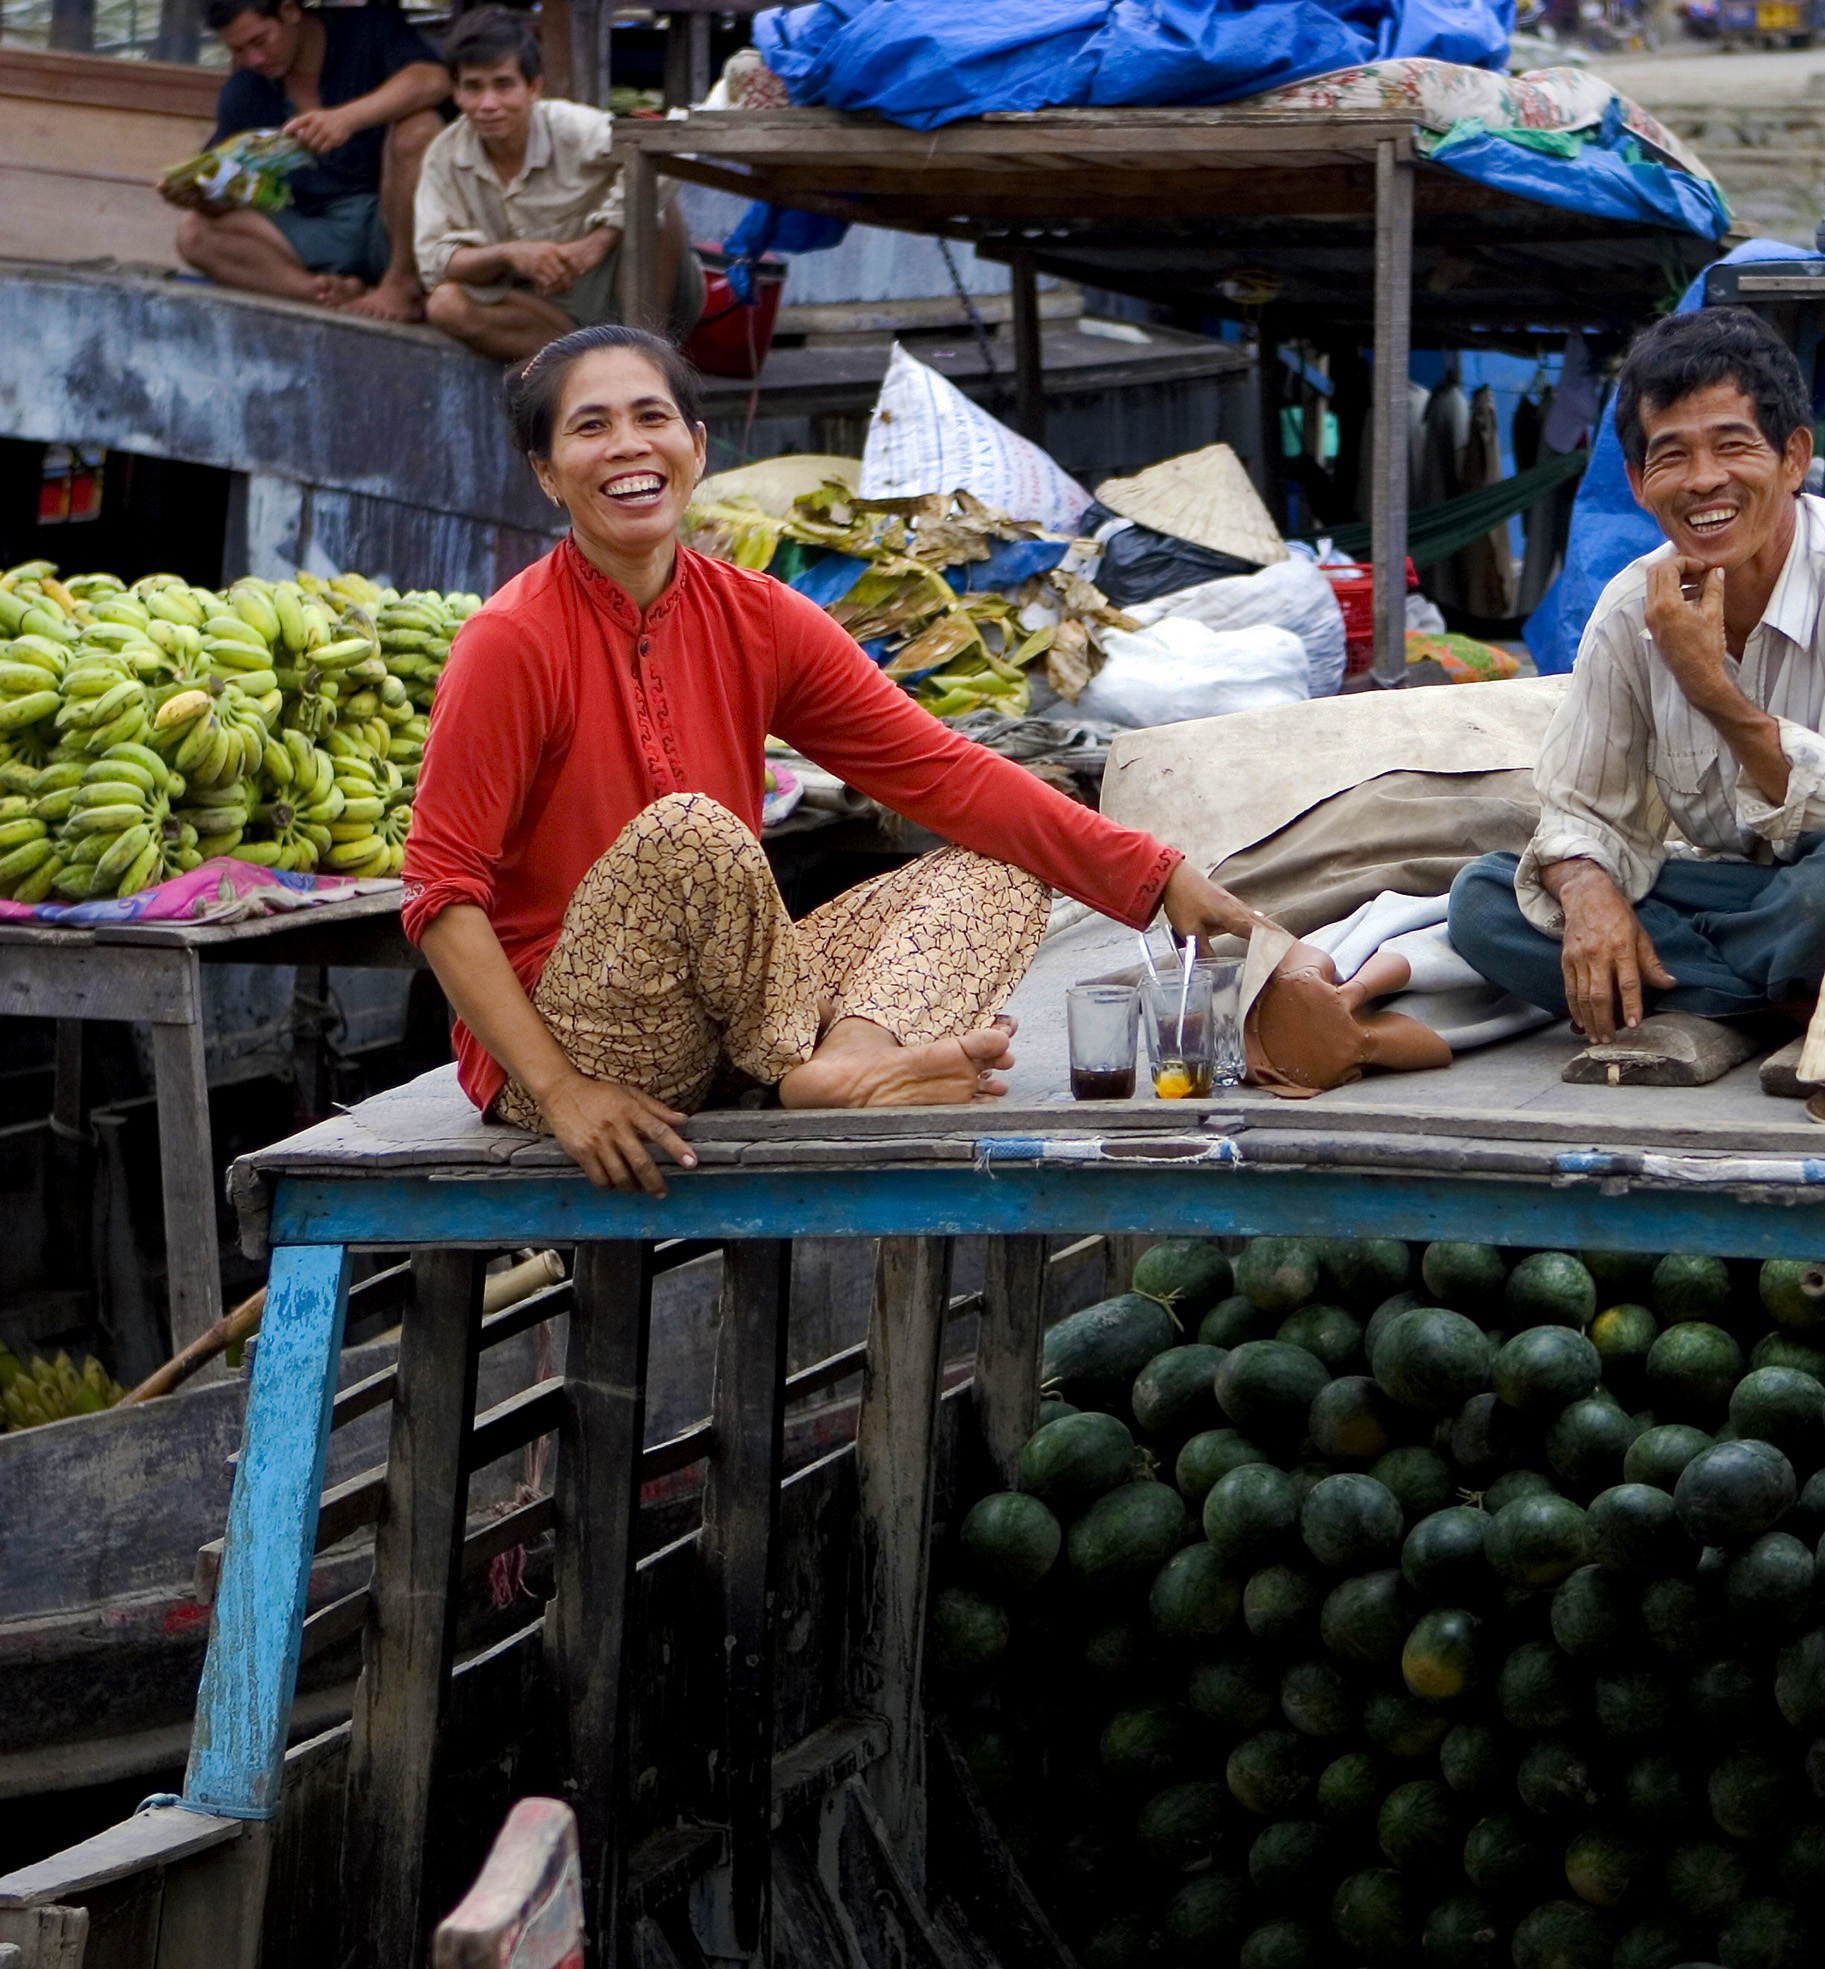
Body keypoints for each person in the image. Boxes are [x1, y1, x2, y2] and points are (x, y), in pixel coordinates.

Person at [401, 326, 1260, 1193]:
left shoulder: (758, 616)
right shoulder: (511, 642)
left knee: (998, 870)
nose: (627, 445)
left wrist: (1155, 877)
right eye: (590, 428)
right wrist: (559, 1090)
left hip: (729, 1032)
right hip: (577, 1038)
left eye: (650, 416)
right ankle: (800, 1063)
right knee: (690, 830)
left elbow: (942, 772)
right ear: (547, 472)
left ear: (695, 448)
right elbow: (439, 896)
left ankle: (849, 1061)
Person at [1446, 307, 1825, 1047]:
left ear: (1792, 457)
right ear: (1638, 481)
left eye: (1732, 446)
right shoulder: (1629, 609)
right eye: (1671, 455)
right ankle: (1782, 1007)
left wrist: (1709, 685)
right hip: (1752, 900)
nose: (1704, 481)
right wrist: (1588, 894)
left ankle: (1700, 994)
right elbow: (1580, 809)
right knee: (1485, 901)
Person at [415, 8, 701, 362]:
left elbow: (669, 152)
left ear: (533, 87)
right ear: (456, 93)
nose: (488, 104)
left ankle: (648, 359)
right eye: (473, 87)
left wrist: (599, 240)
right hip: (545, 308)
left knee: (658, 206)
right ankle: (589, 362)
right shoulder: (444, 155)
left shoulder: (571, 127)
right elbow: (433, 263)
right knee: (445, 304)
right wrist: (511, 254)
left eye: (503, 85)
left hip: (633, 288)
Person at [164, 0, 448, 322]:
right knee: (194, 235)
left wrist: (347, 119)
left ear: (289, 11)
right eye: (238, 50)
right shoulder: (244, 90)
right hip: (310, 233)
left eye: (260, 41)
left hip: (389, 224)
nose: (253, 59)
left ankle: (401, 284)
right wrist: (202, 197)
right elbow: (235, 191)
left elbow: (433, 80)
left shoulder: (367, 29)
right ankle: (323, 292)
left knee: (420, 128)